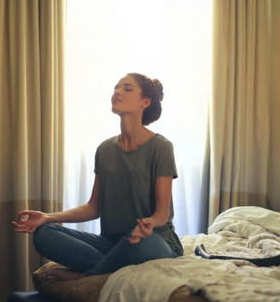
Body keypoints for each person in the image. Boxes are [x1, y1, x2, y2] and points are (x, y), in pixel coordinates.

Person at [12, 72, 183, 282]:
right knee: (44, 234)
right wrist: (48, 217)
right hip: (111, 244)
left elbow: (162, 213)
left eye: (127, 88)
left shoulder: (161, 147)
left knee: (142, 242)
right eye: (116, 88)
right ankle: (109, 266)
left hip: (153, 241)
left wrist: (149, 222)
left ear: (144, 102)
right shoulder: (105, 150)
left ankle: (86, 276)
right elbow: (94, 207)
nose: (117, 92)